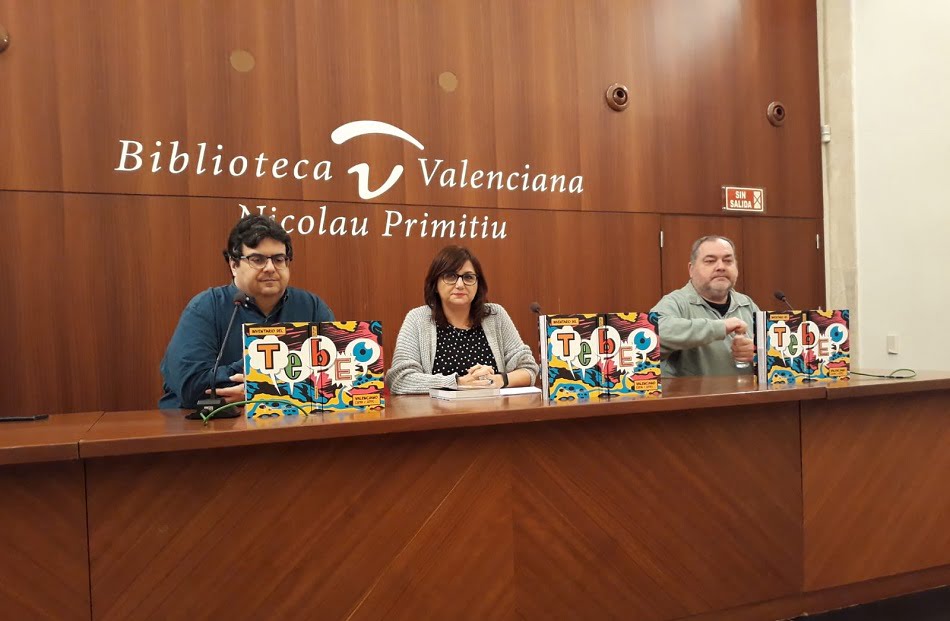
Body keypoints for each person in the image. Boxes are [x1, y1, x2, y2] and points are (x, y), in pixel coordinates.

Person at [159, 215, 334, 409]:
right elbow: (192, 387)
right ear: (234, 265)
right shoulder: (206, 307)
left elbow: (336, 377)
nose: (270, 268)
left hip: (290, 421)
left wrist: (258, 388)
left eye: (278, 259)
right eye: (257, 259)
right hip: (209, 424)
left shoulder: (311, 307)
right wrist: (263, 375)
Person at [387, 245, 539, 394]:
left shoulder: (495, 315)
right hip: (438, 410)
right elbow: (399, 379)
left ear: (478, 284)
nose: (460, 285)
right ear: (435, 284)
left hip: (492, 408)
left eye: (468, 277)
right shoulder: (418, 319)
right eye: (450, 276)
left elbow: (528, 368)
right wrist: (458, 383)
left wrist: (499, 380)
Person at [650, 235, 760, 376]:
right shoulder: (676, 302)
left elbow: (773, 352)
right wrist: (721, 327)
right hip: (694, 391)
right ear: (691, 269)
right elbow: (653, 333)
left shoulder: (747, 304)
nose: (721, 267)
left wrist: (757, 351)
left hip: (749, 390)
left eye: (728, 261)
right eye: (710, 261)